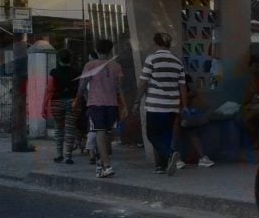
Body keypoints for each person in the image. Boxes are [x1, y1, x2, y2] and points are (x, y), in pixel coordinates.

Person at [133, 32, 186, 175]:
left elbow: (143, 82)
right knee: (165, 135)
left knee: (152, 135)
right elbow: (182, 86)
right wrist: (184, 106)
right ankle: (161, 166)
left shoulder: (152, 59)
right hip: (172, 105)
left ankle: (170, 155)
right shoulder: (177, 61)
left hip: (155, 105)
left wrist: (137, 101)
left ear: (156, 43)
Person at [73, 38, 126, 178]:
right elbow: (119, 88)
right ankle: (100, 163)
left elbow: (82, 85)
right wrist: (124, 105)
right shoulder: (116, 66)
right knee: (106, 134)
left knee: (100, 133)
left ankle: (107, 165)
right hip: (112, 104)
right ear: (110, 50)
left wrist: (78, 99)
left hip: (95, 103)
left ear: (97, 50)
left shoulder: (90, 65)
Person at [42, 48, 79, 164]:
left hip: (57, 102)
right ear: (70, 60)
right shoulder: (76, 72)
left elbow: (49, 90)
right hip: (72, 102)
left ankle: (59, 154)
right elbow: (80, 89)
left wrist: (44, 106)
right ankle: (68, 156)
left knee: (58, 128)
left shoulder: (54, 72)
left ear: (58, 60)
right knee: (70, 129)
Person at [174, 74, 215, 169]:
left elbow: (194, 94)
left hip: (184, 115)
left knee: (188, 132)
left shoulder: (185, 83)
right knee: (185, 132)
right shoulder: (184, 88)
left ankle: (177, 158)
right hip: (180, 114)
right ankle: (201, 157)